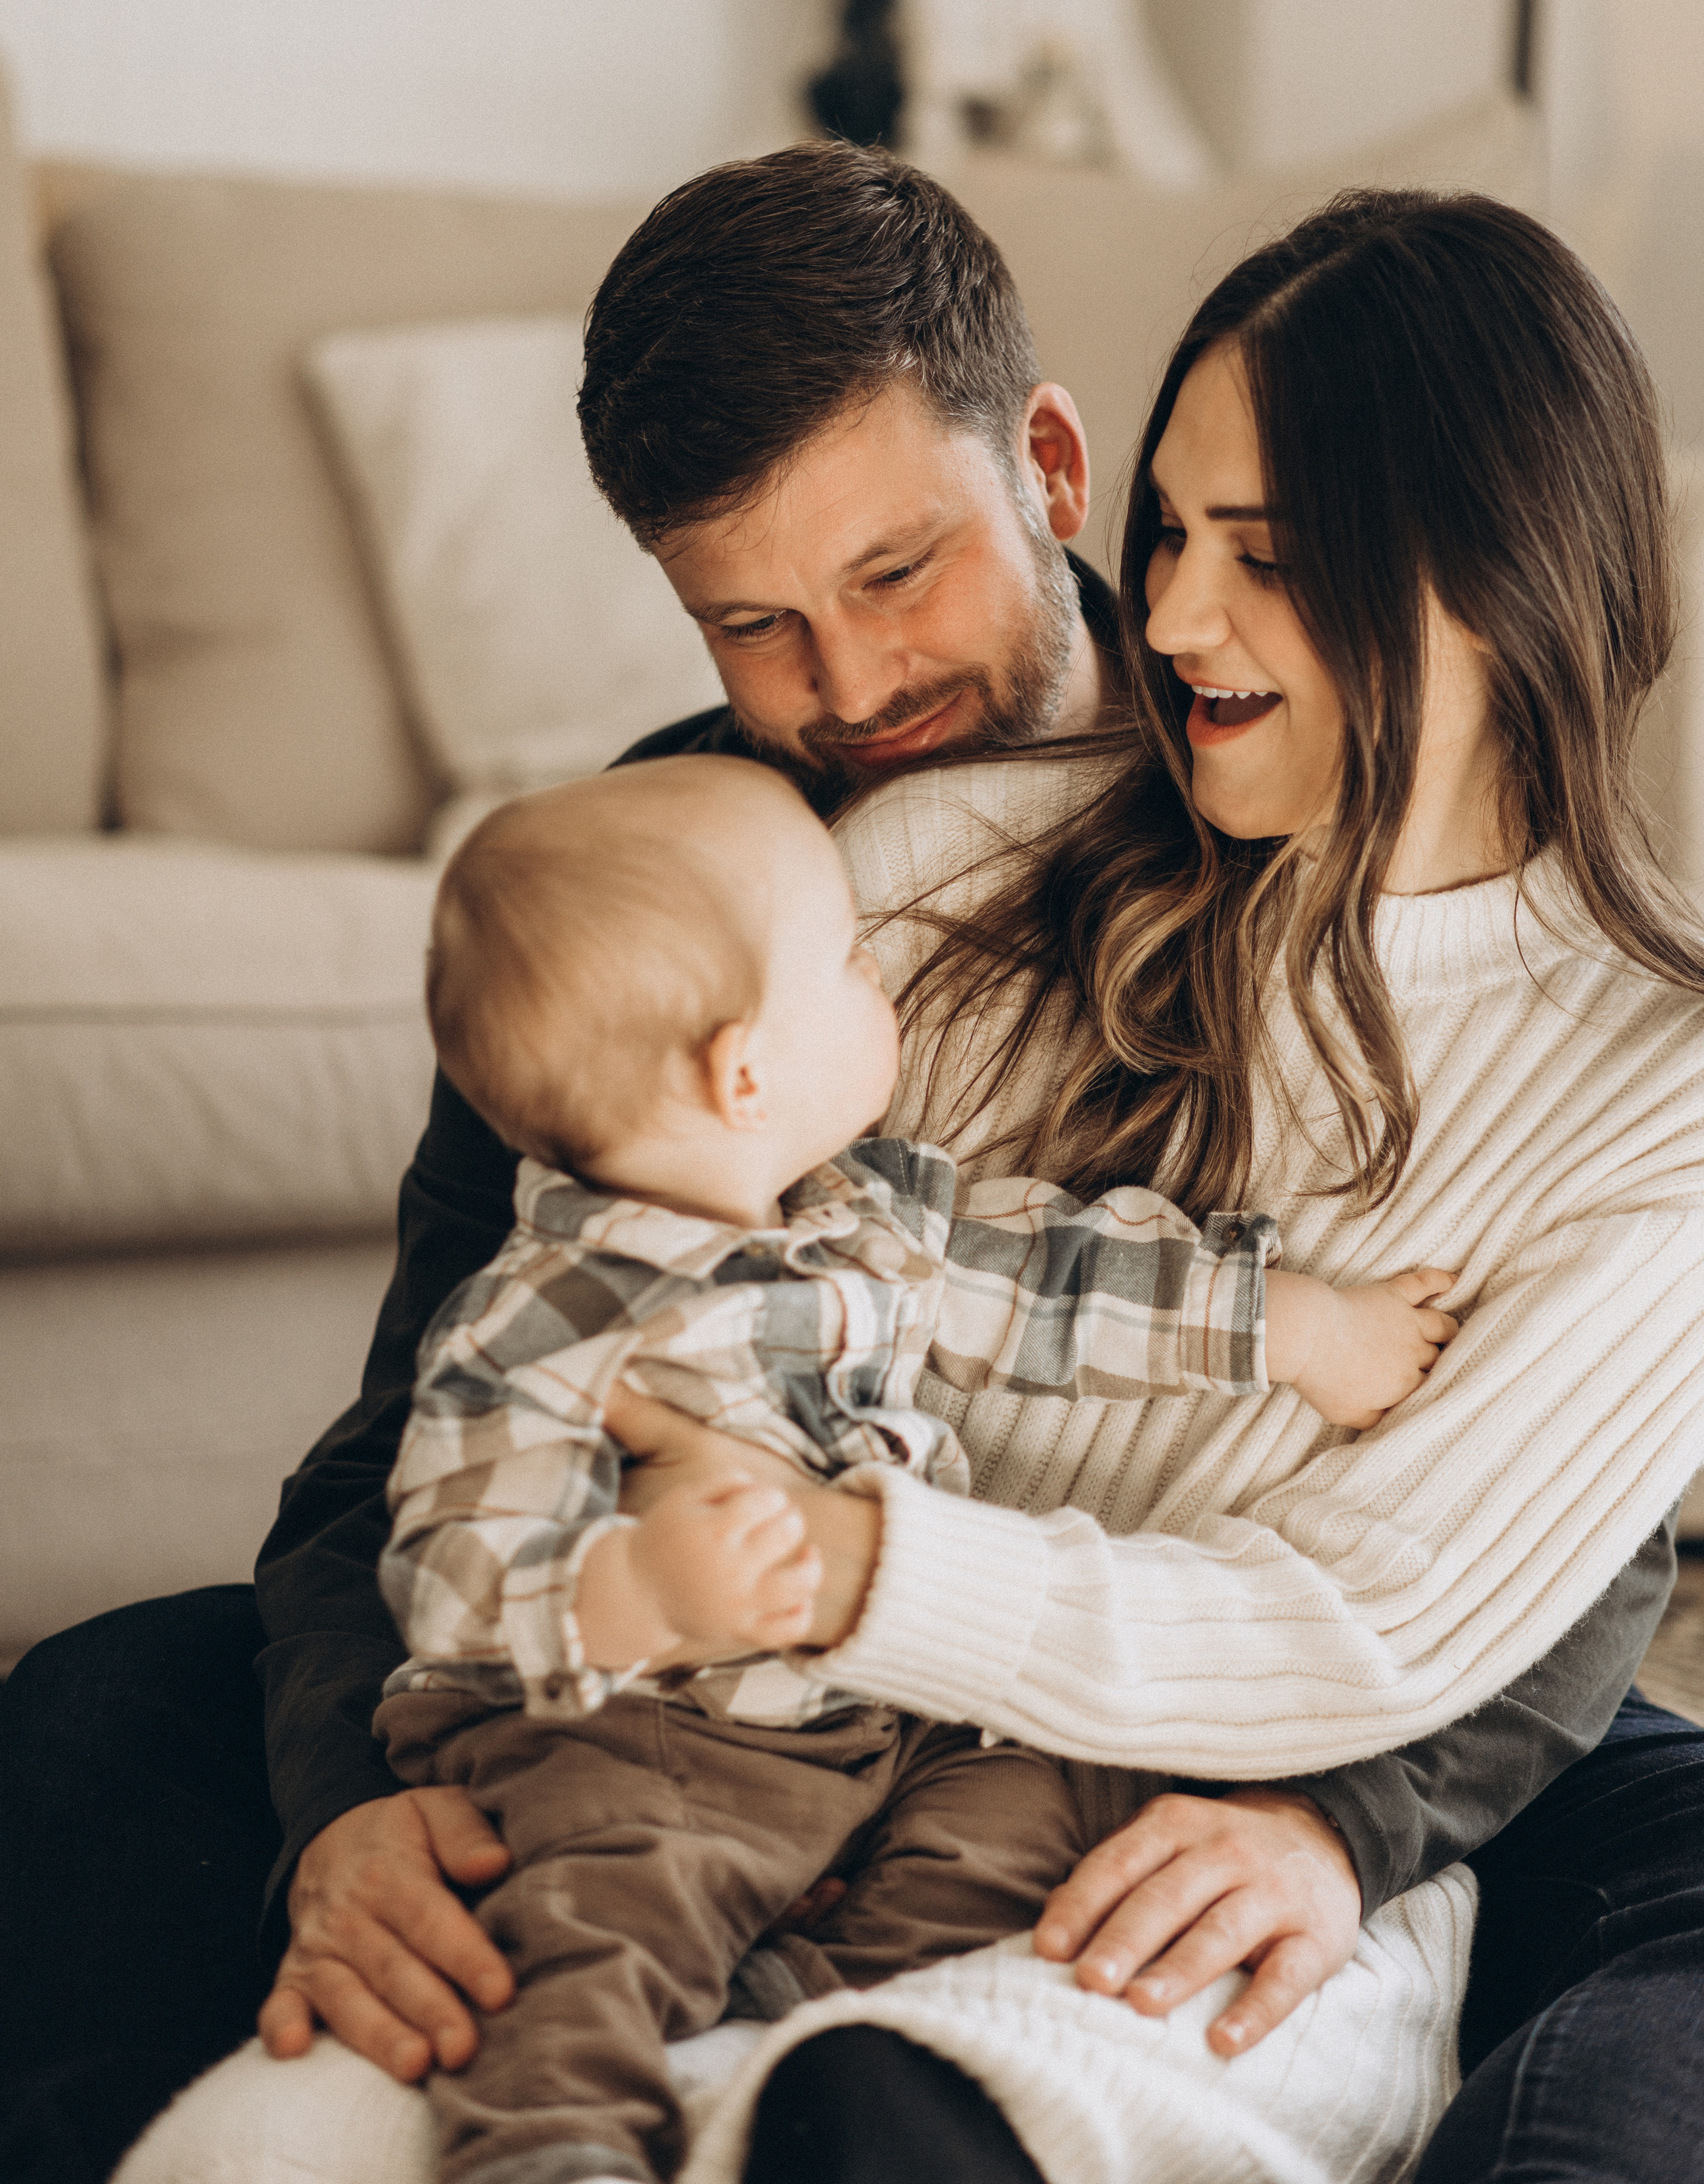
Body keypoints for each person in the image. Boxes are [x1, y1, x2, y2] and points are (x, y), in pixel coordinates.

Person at [0, 146, 1704, 2184]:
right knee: (112, 1720)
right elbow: (436, 1415)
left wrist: (1355, 1817)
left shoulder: (1470, 935)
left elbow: (1546, 1505)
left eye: (898, 577)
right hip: (719, 1659)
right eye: (754, 624)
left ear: (1050, 467)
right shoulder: (673, 887)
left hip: (1260, 1676)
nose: (853, 690)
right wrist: (355, 1800)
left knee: (1676, 1863)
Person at [374, 757, 1449, 2184]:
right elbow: (447, 1562)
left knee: (1036, 1815)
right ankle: (546, 2153)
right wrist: (631, 1589)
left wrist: (1300, 1328)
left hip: (886, 1714)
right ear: (739, 1068)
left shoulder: (865, 1217)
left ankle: (809, 2041)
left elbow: (1063, 1288)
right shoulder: (547, 1313)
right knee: (595, 1942)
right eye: (845, 960)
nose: (878, 970)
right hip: (643, 1739)